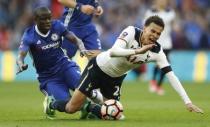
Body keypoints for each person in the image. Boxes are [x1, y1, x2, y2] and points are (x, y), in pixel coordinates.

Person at [45, 15, 203, 120]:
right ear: (144, 28)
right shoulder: (131, 32)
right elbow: (113, 52)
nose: (154, 35)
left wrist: (187, 102)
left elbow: (171, 76)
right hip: (97, 69)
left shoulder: (157, 51)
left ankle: (89, 105)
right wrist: (137, 50)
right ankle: (51, 103)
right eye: (152, 31)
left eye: (158, 34)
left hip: (115, 79)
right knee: (71, 108)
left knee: (114, 115)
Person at [16, 7, 95, 119]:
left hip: (65, 66)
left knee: (85, 90)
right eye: (44, 19)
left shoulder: (57, 26)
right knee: (68, 105)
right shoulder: (29, 35)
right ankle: (50, 104)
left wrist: (82, 48)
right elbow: (21, 54)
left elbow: (75, 39)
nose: (48, 21)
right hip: (48, 77)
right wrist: (20, 63)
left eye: (49, 18)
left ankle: (87, 109)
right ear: (36, 20)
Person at [144, 0, 176, 95]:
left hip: (167, 43)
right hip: (155, 41)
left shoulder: (170, 13)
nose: (162, 2)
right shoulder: (150, 12)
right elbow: (146, 25)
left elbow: (173, 25)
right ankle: (154, 82)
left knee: (165, 64)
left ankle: (158, 85)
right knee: (158, 64)